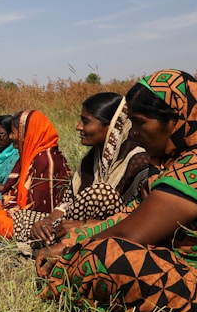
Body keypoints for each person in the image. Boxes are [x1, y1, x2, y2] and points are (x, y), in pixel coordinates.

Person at [36, 70, 197, 312]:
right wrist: (71, 241)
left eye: (139, 123)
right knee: (85, 246)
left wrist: (71, 251)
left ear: (173, 121)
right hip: (175, 267)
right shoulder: (169, 163)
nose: (133, 133)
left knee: (108, 255)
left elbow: (132, 233)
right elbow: (127, 215)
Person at [29, 93, 149, 245]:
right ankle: (53, 237)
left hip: (116, 233)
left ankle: (61, 242)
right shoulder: (91, 159)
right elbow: (68, 203)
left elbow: (142, 216)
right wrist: (47, 221)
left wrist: (89, 226)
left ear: (112, 126)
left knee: (100, 193)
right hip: (74, 222)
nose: (78, 127)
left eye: (85, 122)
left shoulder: (138, 161)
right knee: (25, 220)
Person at [0, 110, 72, 240]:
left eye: (13, 132)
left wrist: (6, 214)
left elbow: (39, 211)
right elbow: (13, 195)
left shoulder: (47, 160)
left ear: (28, 133)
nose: (11, 137)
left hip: (34, 221)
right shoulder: (28, 155)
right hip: (18, 211)